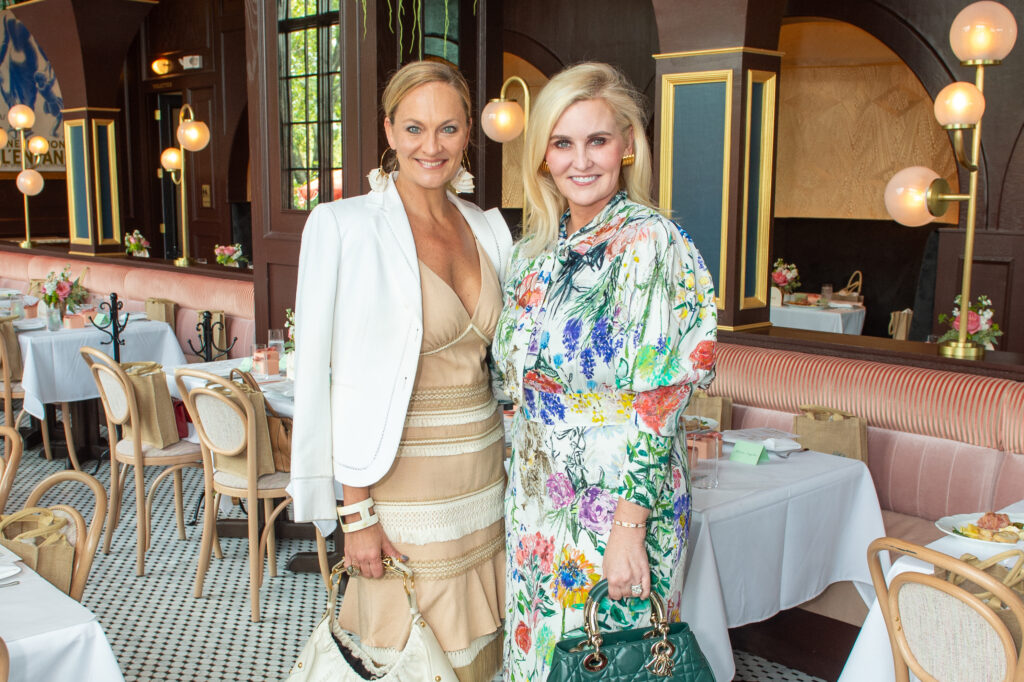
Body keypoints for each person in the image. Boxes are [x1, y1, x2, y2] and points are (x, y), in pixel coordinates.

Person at [490, 62, 718, 679]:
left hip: (617, 506)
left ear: (626, 146)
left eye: (597, 140)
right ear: (543, 157)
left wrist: (628, 528)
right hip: (536, 504)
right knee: (540, 662)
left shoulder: (650, 242)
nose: (581, 161)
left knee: (617, 662)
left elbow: (660, 400)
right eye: (562, 143)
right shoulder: (533, 250)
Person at [289, 60, 511, 681]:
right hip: (398, 482)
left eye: (448, 128)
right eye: (414, 128)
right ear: (388, 131)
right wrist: (355, 513)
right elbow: (325, 381)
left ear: (467, 134)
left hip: (483, 477)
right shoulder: (342, 226)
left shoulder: (488, 229)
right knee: (405, 652)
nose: (430, 146)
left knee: (478, 656)